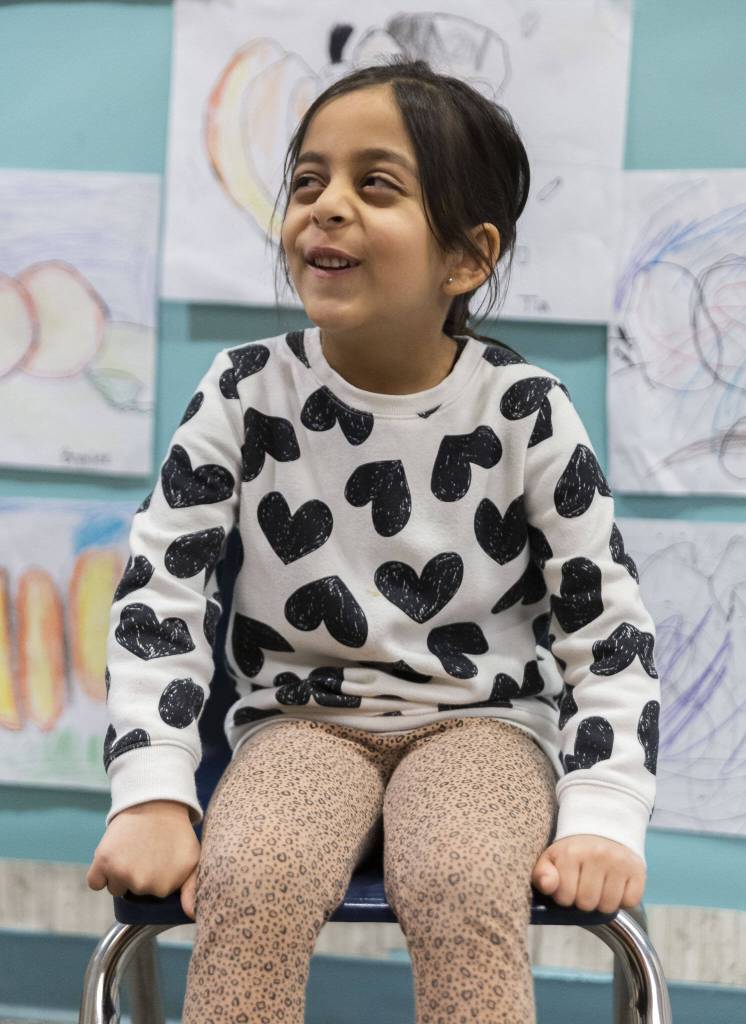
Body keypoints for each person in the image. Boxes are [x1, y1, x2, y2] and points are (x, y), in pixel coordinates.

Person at [86, 57, 660, 1024]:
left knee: (459, 877)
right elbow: (160, 597)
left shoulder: (525, 411)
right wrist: (149, 791)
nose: (327, 207)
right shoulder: (242, 390)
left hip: (486, 727)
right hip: (298, 726)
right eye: (308, 181)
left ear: (467, 259)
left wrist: (606, 814)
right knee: (253, 877)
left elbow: (608, 631)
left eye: (375, 185)